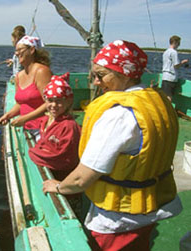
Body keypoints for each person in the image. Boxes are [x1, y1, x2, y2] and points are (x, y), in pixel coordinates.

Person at [43, 40, 182, 251]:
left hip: (117, 219)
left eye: (101, 75)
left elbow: (82, 179)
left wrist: (59, 186)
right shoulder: (159, 102)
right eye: (94, 75)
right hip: (150, 208)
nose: (96, 82)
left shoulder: (119, 115)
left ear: (125, 74)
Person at [29, 73, 82, 216]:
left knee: (70, 212)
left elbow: (64, 158)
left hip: (65, 183)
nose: (53, 105)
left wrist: (33, 153)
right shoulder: (47, 120)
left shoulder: (69, 127)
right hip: (52, 178)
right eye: (50, 100)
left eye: (59, 101)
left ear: (69, 102)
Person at [0, 35, 52, 130]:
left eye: (20, 50)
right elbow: (20, 104)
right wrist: (8, 115)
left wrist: (24, 119)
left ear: (31, 50)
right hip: (27, 127)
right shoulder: (18, 76)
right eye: (16, 51)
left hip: (43, 128)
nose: (17, 54)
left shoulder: (41, 71)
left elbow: (50, 103)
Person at [162, 35, 189, 101]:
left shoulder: (165, 52)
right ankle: (168, 111)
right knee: (168, 97)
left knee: (165, 96)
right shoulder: (174, 52)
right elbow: (176, 65)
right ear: (175, 42)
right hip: (171, 78)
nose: (179, 45)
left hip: (165, 77)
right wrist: (183, 62)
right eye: (178, 43)